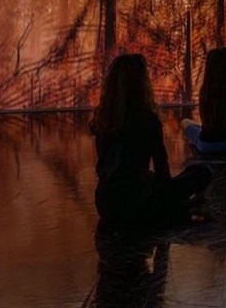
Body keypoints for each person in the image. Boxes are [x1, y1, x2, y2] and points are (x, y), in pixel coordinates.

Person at [90, 53, 212, 224]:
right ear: (143, 84)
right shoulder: (147, 119)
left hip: (106, 205)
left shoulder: (103, 118)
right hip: (139, 204)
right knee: (203, 172)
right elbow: (162, 168)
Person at [181, 47, 226, 154]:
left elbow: (204, 121)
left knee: (185, 122)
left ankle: (197, 142)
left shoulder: (204, 90)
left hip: (207, 146)